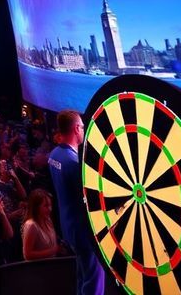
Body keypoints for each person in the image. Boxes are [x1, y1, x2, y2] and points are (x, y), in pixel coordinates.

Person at [49, 110, 105, 295]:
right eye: (81, 127)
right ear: (75, 129)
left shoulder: (55, 155)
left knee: (82, 274)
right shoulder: (73, 163)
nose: (83, 130)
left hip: (68, 225)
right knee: (93, 278)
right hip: (82, 229)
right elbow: (89, 197)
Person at [22, 189, 59, 260]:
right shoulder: (31, 225)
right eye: (46, 206)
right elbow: (27, 255)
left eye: (50, 205)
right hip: (39, 269)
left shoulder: (48, 220)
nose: (50, 209)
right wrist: (53, 250)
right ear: (36, 207)